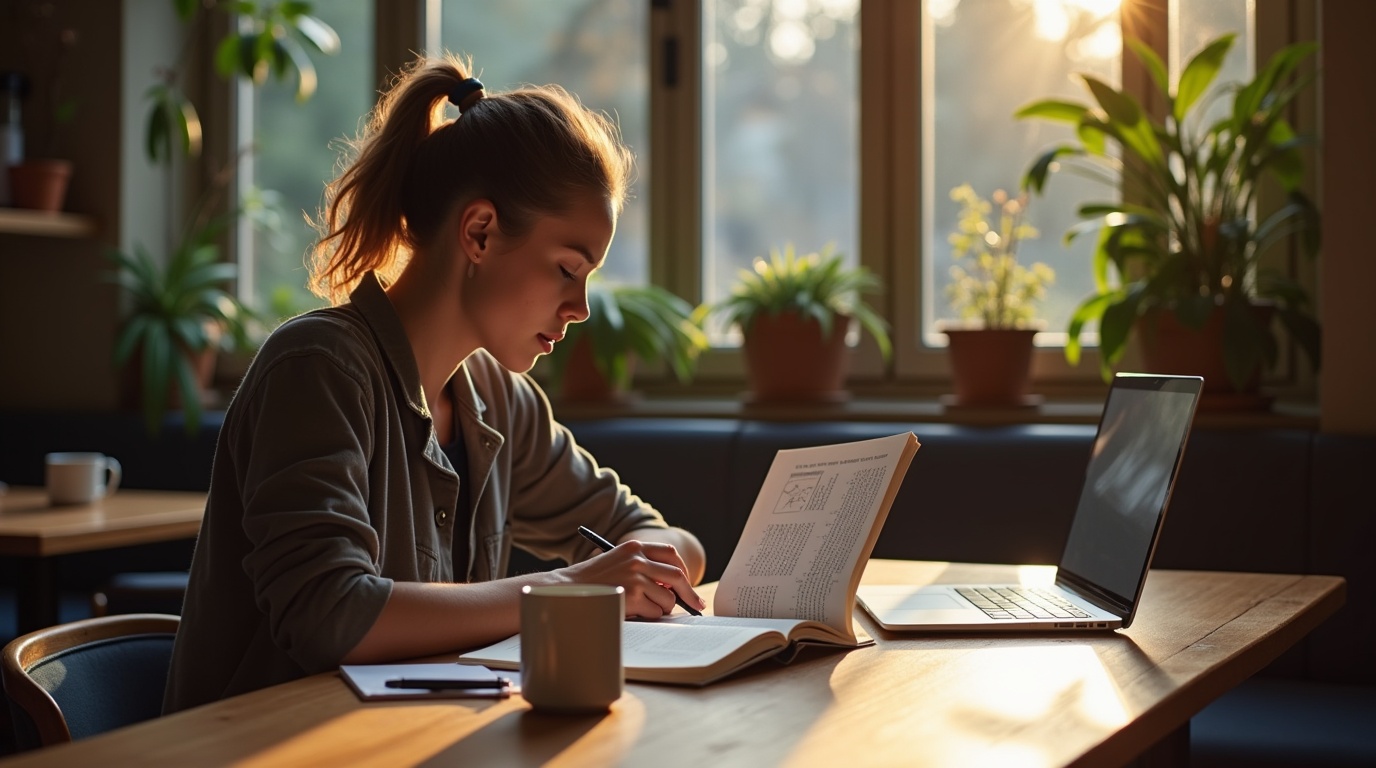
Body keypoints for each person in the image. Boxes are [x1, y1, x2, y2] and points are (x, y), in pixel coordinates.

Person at [163, 54, 707, 714]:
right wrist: (574, 587)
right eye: (568, 269)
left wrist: (645, 564)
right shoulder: (318, 367)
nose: (581, 308)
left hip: (415, 738)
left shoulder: (501, 400)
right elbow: (330, 615)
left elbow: (659, 538)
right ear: (479, 233)